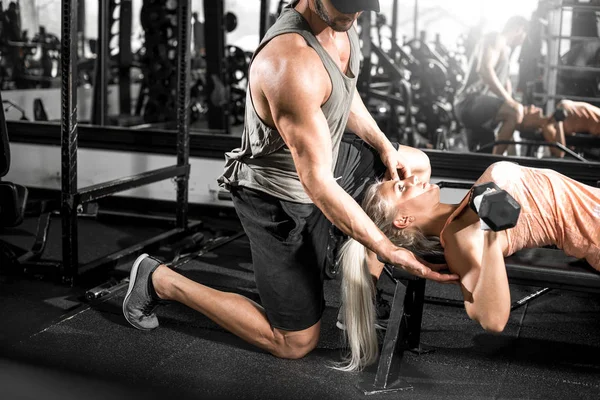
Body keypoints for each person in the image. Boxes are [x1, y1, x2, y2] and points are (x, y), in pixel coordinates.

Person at [123, 0, 458, 362]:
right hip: (282, 193)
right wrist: (387, 249)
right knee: (294, 343)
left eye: (360, 8)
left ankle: (359, 295)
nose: (352, 17)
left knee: (415, 164)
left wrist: (381, 145)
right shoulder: (289, 62)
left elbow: (343, 92)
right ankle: (158, 280)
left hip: (329, 157)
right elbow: (318, 182)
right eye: (344, 7)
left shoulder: (343, 22)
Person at [337, 161, 600, 370]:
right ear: (404, 219)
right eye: (402, 188)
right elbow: (493, 321)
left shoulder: (464, 210)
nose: (414, 179)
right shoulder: (459, 234)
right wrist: (491, 234)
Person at [454, 16, 529, 155]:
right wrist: (510, 103)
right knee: (515, 111)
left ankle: (495, 162)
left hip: (481, 106)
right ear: (520, 29)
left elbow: (505, 84)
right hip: (469, 101)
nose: (522, 41)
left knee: (482, 156)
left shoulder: (505, 51)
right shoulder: (496, 38)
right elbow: (484, 70)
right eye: (524, 35)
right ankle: (495, 164)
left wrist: (511, 104)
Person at [519, 100, 600, 158]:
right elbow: (559, 153)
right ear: (527, 124)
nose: (531, 106)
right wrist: (559, 121)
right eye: (527, 110)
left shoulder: (552, 117)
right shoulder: (548, 128)